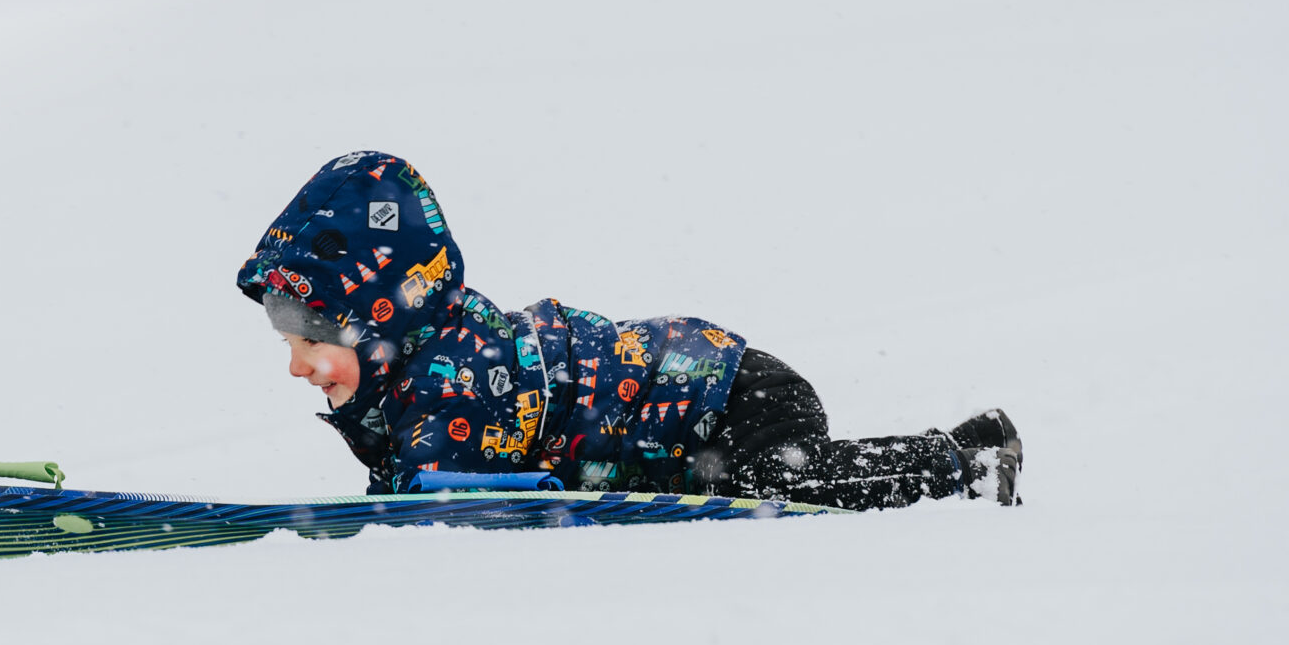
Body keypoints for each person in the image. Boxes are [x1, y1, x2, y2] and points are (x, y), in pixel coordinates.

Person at [236, 150, 1021, 509]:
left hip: (724, 401)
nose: (301, 367)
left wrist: (388, 508)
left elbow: (461, 496)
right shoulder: (418, 368)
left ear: (382, 325)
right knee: (743, 485)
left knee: (777, 485)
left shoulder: (460, 375)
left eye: (313, 343)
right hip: (693, 411)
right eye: (292, 346)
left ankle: (965, 462)